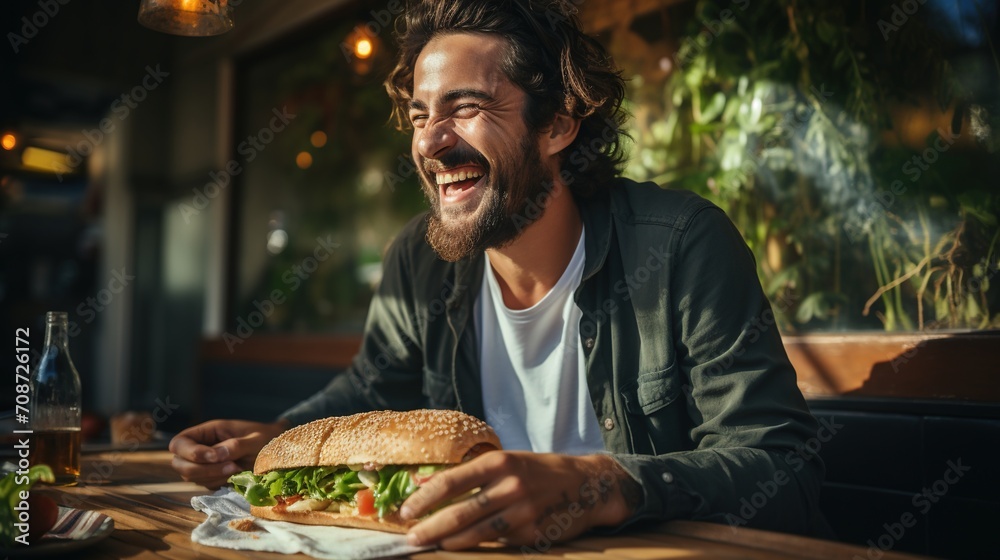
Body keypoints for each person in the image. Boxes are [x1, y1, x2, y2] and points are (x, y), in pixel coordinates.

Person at [170, 0, 828, 550]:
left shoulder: (683, 245)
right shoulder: (417, 262)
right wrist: (280, 442)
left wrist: (596, 484)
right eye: (423, 115)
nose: (430, 142)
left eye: (465, 108)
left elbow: (784, 474)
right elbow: (369, 387)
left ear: (558, 125)